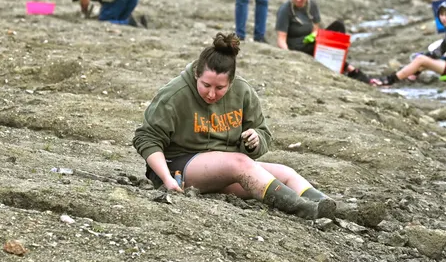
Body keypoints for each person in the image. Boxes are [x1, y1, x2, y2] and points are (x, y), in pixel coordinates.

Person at [132, 33, 335, 220]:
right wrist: (166, 179)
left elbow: (263, 134)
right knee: (239, 162)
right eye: (206, 85)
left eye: (220, 88)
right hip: (177, 169)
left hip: (224, 170)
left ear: (231, 82)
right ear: (196, 74)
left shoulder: (243, 92)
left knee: (285, 173)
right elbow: (147, 139)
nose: (211, 94)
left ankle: (328, 207)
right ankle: (304, 209)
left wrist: (255, 141)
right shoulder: (174, 94)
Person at [370, 1, 446, 86]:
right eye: (441, 14)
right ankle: (412, 76)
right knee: (423, 60)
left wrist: (422, 56)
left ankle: (390, 80)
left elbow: (438, 53)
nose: (443, 18)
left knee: (421, 59)